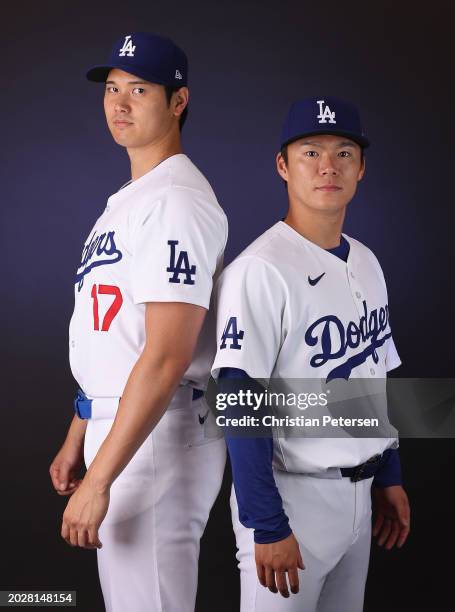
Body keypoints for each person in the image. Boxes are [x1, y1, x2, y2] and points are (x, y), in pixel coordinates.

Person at [49, 32, 228, 612]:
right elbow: (117, 332)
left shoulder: (175, 200)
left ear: (178, 102)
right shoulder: (135, 195)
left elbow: (168, 353)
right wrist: (82, 426)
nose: (119, 104)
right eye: (112, 89)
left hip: (158, 433)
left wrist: (99, 477)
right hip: (128, 426)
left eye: (140, 90)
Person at [211, 96, 410, 611]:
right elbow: (239, 400)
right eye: (310, 152)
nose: (328, 166)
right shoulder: (260, 268)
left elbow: (375, 378)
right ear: (283, 165)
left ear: (361, 168)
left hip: (359, 497)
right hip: (290, 497)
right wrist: (267, 522)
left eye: (344, 153)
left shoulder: (366, 261)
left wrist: (389, 475)